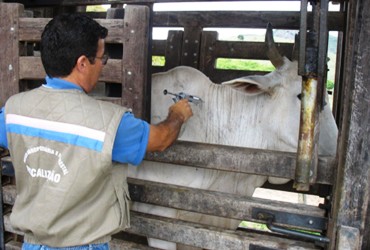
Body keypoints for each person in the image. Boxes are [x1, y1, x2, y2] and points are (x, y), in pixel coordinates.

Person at [0, 13, 193, 249]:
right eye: (102, 58)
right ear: (82, 63)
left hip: (32, 245)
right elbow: (161, 139)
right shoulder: (110, 123)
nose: (103, 65)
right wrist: (177, 115)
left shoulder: (13, 111)